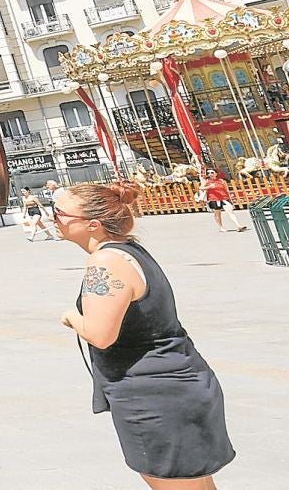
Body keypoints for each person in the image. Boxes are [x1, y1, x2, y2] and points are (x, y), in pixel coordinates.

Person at [54, 181, 235, 487]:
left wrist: (73, 317)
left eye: (59, 212)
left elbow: (100, 335)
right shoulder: (130, 250)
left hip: (154, 396)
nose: (53, 218)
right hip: (179, 383)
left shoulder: (105, 261)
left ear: (93, 225)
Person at [198, 169, 247, 233]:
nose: (210, 174)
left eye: (212, 172)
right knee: (217, 214)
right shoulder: (207, 181)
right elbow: (200, 188)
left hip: (224, 198)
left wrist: (229, 198)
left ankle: (238, 225)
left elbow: (226, 189)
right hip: (213, 199)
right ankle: (221, 227)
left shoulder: (221, 181)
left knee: (230, 211)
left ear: (216, 173)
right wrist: (209, 187)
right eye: (208, 173)